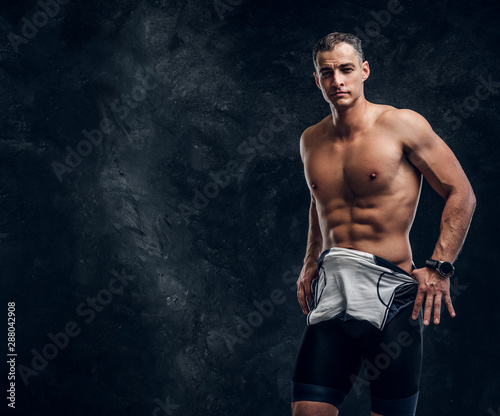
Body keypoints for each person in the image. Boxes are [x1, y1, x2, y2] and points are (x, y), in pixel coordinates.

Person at [291, 32, 476, 416]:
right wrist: (310, 262)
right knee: (308, 410)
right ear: (317, 80)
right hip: (332, 294)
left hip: (391, 294)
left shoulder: (402, 125)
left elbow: (462, 192)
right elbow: (317, 201)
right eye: (327, 73)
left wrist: (441, 266)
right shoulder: (310, 140)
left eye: (345, 69)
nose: (337, 81)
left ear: (364, 70)